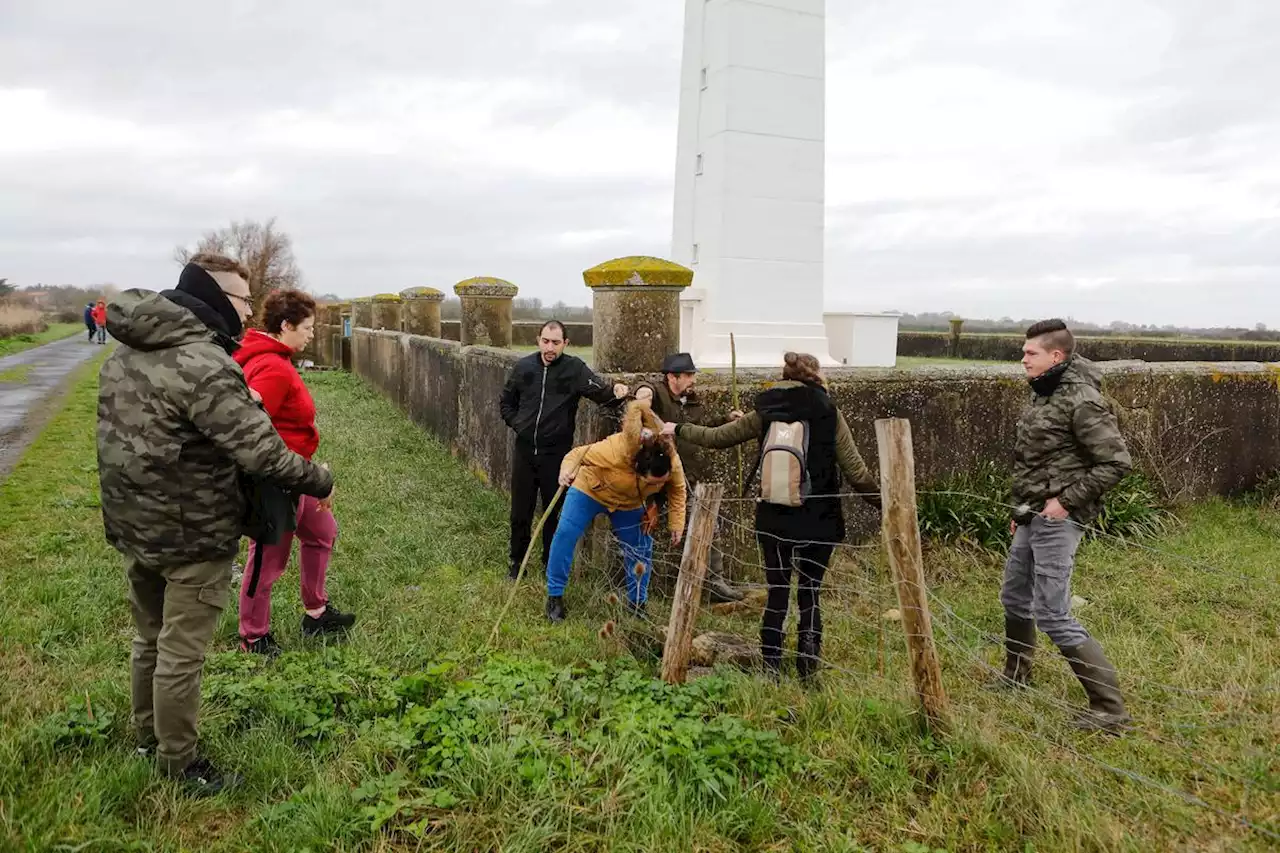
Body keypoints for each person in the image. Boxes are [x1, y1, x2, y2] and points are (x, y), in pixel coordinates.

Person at [97, 253, 333, 795]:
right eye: (245, 302)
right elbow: (262, 454)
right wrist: (319, 480)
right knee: (182, 649)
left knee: (149, 637)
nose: (249, 314)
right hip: (191, 528)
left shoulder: (128, 349)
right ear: (219, 298)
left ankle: (145, 736)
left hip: (133, 517)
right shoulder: (202, 362)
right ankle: (179, 763)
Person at [664, 352, 879, 682]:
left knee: (777, 592)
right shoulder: (827, 410)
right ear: (815, 375)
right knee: (809, 592)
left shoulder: (766, 408)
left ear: (784, 375)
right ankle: (807, 670)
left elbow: (718, 438)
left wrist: (678, 427)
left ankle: (771, 667)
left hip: (774, 517)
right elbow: (855, 469)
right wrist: (887, 503)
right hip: (819, 518)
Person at [999, 319, 1132, 732]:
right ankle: (1016, 676)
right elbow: (1035, 462)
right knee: (1013, 597)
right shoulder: (1043, 391)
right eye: (1024, 353)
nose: (1023, 359)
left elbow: (1116, 463)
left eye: (1030, 353)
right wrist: (1021, 510)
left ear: (1055, 356)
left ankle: (1110, 711)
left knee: (1053, 612)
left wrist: (1066, 503)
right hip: (1031, 515)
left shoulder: (1082, 400)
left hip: (1060, 520)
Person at [233, 289, 355, 657]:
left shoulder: (277, 360)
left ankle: (315, 614)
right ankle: (253, 637)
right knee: (268, 560)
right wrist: (297, 472)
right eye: (307, 327)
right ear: (286, 325)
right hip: (277, 478)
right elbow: (253, 430)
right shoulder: (271, 366)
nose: (312, 334)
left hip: (298, 474)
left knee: (322, 532)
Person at [499, 320, 628, 580]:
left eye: (556, 343)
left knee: (553, 513)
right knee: (520, 512)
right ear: (538, 340)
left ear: (565, 344)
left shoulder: (574, 369)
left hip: (556, 455)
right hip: (524, 451)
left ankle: (550, 563)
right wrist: (518, 425)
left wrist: (619, 391)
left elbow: (602, 393)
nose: (550, 347)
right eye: (545, 341)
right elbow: (506, 402)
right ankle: (517, 564)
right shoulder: (524, 367)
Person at [545, 399, 686, 622]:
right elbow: (575, 456)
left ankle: (638, 604)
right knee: (565, 534)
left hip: (629, 503)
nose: (656, 486)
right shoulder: (612, 452)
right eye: (651, 482)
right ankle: (555, 596)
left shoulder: (672, 462)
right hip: (591, 489)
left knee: (641, 548)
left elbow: (677, 490)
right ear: (638, 470)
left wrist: (676, 523)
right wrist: (565, 472)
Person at [635, 352, 745, 604]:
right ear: (673, 377)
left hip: (687, 478)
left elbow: (703, 426)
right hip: (654, 475)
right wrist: (643, 393)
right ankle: (635, 585)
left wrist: (727, 420)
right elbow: (644, 388)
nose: (693, 380)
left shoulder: (692, 402)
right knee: (640, 524)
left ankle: (714, 583)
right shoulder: (659, 395)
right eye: (689, 375)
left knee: (708, 526)